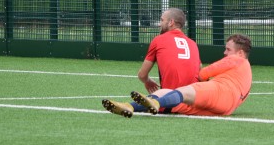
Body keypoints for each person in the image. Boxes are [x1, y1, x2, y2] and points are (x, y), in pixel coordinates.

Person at [102, 34, 252, 118]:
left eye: (228, 49)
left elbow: (203, 74)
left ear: (240, 52)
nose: (225, 53)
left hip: (220, 92)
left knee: (183, 91)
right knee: (168, 95)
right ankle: (129, 107)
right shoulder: (246, 75)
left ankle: (156, 103)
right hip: (225, 109)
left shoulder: (237, 59)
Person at [137, 8, 201, 94]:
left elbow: (142, 75)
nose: (160, 24)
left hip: (172, 101)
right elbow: (200, 71)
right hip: (193, 100)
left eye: (162, 20)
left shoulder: (158, 40)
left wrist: (147, 81)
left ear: (171, 22)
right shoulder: (193, 43)